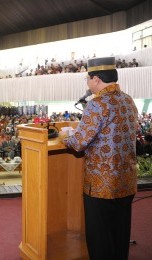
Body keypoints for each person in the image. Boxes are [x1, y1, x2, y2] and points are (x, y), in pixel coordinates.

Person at [62, 57, 138, 260]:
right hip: (126, 180)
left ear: (96, 79)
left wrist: (66, 138)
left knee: (100, 239)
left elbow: (78, 143)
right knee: (120, 234)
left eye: (87, 78)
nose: (87, 83)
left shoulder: (97, 104)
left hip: (101, 185)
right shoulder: (128, 100)